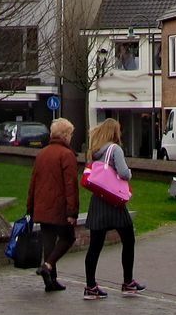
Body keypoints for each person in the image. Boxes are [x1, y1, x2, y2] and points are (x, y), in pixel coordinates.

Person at [81, 118, 143, 299]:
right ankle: (128, 282)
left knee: (95, 246)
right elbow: (123, 173)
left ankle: (90, 286)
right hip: (114, 202)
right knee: (128, 240)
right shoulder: (115, 149)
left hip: (98, 201)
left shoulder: (94, 151)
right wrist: (129, 173)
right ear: (114, 132)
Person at [24, 118, 79, 293]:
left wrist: (30, 207)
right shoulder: (67, 155)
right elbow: (70, 185)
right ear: (65, 135)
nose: (71, 137)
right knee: (68, 238)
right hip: (59, 207)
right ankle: (47, 266)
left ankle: (51, 281)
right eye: (70, 133)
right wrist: (72, 212)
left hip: (42, 207)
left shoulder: (42, 154)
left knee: (48, 242)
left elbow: (33, 182)